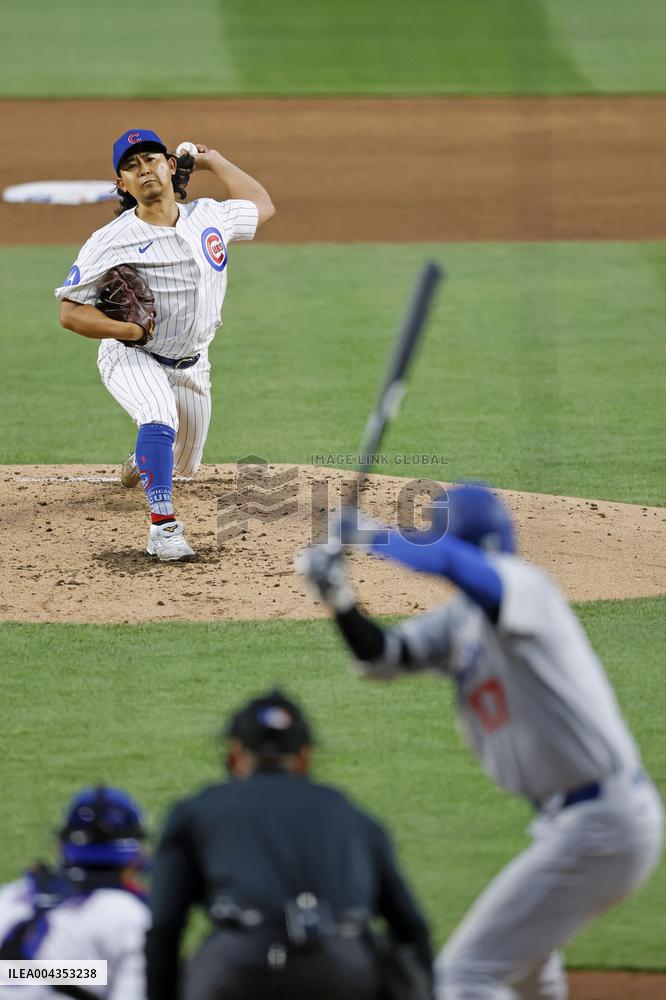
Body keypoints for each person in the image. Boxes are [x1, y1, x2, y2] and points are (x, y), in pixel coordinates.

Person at [297, 484, 664, 1000]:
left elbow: (453, 562)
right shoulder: (464, 619)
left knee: (463, 977)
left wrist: (371, 535)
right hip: (575, 824)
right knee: (528, 970)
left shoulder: (525, 588)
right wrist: (339, 600)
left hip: (604, 823)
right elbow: (386, 656)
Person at [55, 128, 275, 561]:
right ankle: (163, 530)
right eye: (131, 167)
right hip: (133, 357)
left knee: (185, 464)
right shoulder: (110, 240)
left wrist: (215, 161)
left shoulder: (209, 216)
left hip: (193, 364)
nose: (144, 170)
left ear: (170, 167)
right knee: (157, 415)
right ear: (123, 185)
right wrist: (128, 332)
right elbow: (69, 312)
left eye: (151, 160)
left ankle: (143, 460)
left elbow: (263, 206)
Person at [146, 689, 433, 1000]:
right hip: (341, 970)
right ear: (304, 756)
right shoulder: (352, 814)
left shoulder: (196, 810)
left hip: (239, 968)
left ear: (235, 752)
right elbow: (412, 928)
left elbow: (164, 928)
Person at [0, 786, 150, 999]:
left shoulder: (11, 896)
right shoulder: (126, 914)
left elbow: (17, 974)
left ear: (62, 848)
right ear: (135, 854)